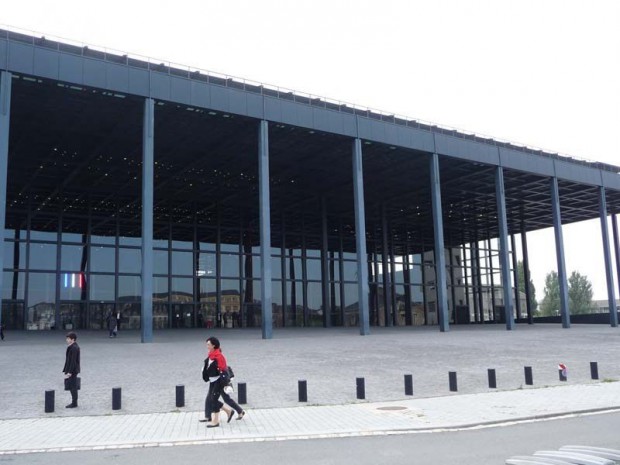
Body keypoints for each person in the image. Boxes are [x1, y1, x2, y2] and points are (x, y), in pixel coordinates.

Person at [200, 336, 233, 427]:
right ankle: (228, 411)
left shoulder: (219, 356)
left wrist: (225, 383)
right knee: (212, 399)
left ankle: (216, 421)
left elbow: (223, 369)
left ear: (213, 345)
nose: (207, 346)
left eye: (208, 344)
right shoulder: (211, 354)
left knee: (213, 399)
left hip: (218, 381)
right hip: (212, 380)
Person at [62, 332, 81, 408]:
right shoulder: (72, 347)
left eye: (68, 338)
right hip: (72, 369)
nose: (67, 340)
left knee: (73, 387)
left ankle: (74, 403)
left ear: (73, 339)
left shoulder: (74, 348)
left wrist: (69, 372)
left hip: (73, 370)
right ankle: (74, 402)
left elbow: (73, 361)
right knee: (72, 386)